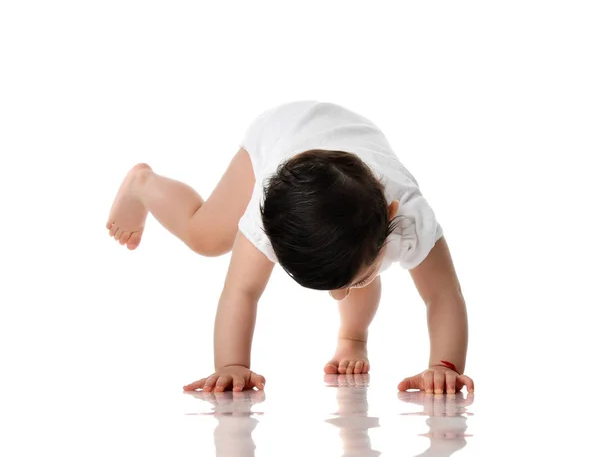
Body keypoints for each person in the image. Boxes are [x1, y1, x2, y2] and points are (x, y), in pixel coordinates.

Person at [106, 100, 475, 394]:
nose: (339, 295)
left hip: (350, 137)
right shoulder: (264, 221)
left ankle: (352, 338)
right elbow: (241, 291)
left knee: (354, 267)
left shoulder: (410, 215)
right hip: (279, 133)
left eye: (352, 283)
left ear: (391, 215)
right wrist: (231, 365)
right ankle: (143, 184)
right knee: (206, 238)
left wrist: (445, 367)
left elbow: (444, 295)